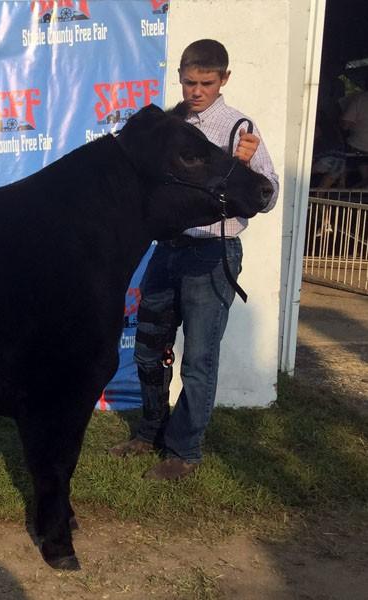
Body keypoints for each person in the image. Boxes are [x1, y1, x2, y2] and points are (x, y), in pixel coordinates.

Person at [109, 39, 279, 480]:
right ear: (180, 78)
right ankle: (149, 433)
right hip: (168, 250)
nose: (196, 91)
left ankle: (184, 452)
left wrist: (251, 170)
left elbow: (267, 194)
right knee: (148, 349)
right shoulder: (170, 125)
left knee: (198, 359)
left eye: (206, 83)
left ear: (224, 79)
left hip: (212, 253)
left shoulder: (239, 127)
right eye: (189, 82)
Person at [341, 89, 368, 187]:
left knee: (341, 146)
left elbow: (345, 125)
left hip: (358, 146)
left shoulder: (360, 99)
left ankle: (341, 183)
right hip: (361, 150)